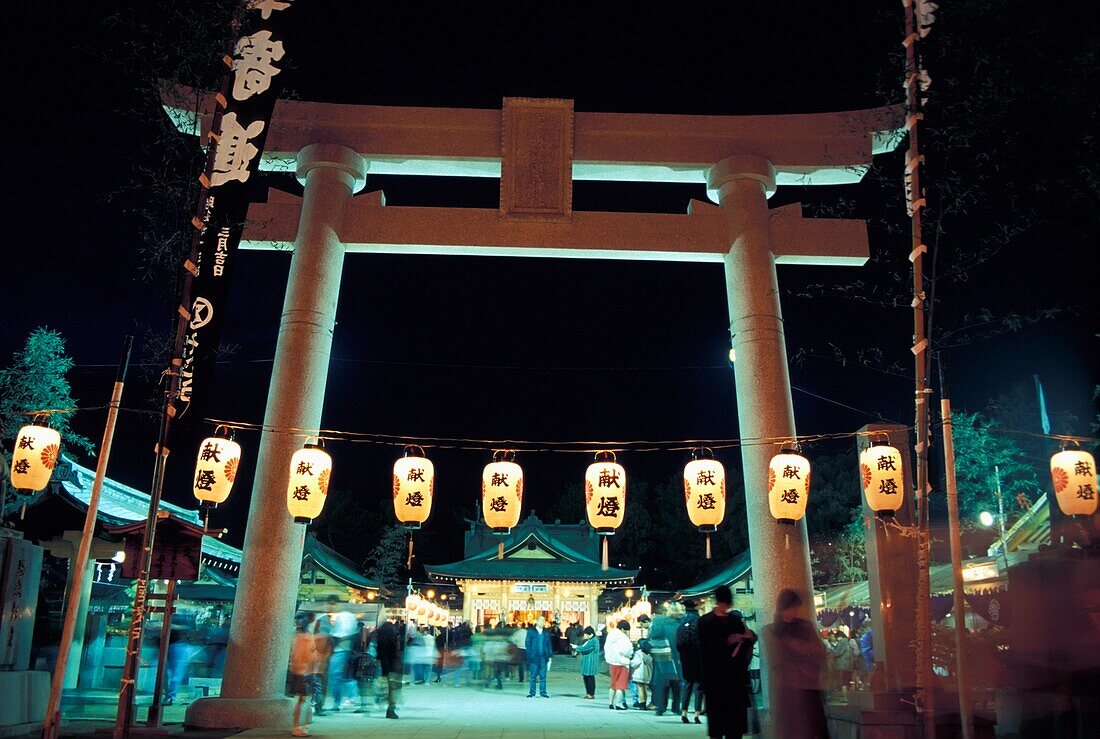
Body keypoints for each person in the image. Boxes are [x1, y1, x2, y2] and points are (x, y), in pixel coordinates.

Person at [763, 589, 828, 739]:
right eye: (791, 607)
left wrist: (801, 648)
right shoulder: (771, 631)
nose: (794, 612)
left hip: (809, 687)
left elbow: (820, 651)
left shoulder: (805, 626)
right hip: (787, 690)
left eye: (796, 608)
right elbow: (774, 661)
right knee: (792, 730)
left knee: (812, 728)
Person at [698, 586, 756, 739]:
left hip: (734, 676)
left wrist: (748, 638)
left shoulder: (734, 620)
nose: (726, 607)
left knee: (735, 724)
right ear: (718, 602)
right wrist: (727, 641)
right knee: (718, 720)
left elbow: (749, 638)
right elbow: (705, 648)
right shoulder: (705, 622)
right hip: (716, 676)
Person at [647, 600, 684, 716]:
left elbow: (652, 636)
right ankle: (676, 707)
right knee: (677, 684)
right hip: (678, 657)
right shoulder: (682, 624)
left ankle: (661, 707)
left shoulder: (659, 621)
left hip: (662, 655)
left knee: (663, 683)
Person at [288, 612, 317, 737]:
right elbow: (306, 655)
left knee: (302, 699)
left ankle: (299, 725)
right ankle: (296, 727)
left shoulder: (297, 635)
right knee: (301, 699)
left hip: (301, 670)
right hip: (303, 671)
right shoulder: (305, 637)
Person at [677, 599, 705, 724]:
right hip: (699, 657)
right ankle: (697, 714)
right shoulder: (700, 622)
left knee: (687, 684)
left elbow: (678, 643)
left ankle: (684, 712)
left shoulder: (682, 623)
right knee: (698, 685)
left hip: (686, 657)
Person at [374, 615, 403, 720]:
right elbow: (392, 655)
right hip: (391, 667)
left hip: (383, 666)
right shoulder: (391, 642)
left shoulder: (379, 640)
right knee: (393, 688)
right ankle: (390, 709)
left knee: (387, 687)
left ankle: (388, 706)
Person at [603, 619, 634, 710]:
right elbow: (626, 651)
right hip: (622, 663)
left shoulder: (610, 635)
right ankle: (619, 704)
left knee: (613, 684)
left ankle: (610, 703)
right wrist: (630, 655)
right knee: (620, 685)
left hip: (612, 662)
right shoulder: (623, 638)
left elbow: (606, 648)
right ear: (623, 628)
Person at [525, 615, 553, 697]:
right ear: (537, 621)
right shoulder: (531, 632)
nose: (543, 622)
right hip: (534, 657)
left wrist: (550, 655)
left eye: (544, 621)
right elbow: (527, 643)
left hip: (543, 657)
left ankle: (543, 693)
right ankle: (532, 692)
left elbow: (548, 645)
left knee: (543, 676)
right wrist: (530, 654)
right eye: (541, 620)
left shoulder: (546, 633)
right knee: (533, 676)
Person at [573, 625, 601, 699]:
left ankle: (591, 693)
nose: (584, 635)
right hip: (587, 661)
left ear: (591, 634)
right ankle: (588, 693)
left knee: (590, 678)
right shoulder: (590, 640)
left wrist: (576, 647)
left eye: (586, 634)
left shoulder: (593, 641)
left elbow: (585, 648)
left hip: (590, 662)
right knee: (586, 677)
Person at [630, 638, 653, 709]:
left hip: (639, 674)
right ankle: (644, 702)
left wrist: (630, 662)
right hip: (647, 674)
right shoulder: (649, 654)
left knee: (640, 688)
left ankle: (642, 703)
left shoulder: (639, 653)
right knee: (644, 689)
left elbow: (635, 663)